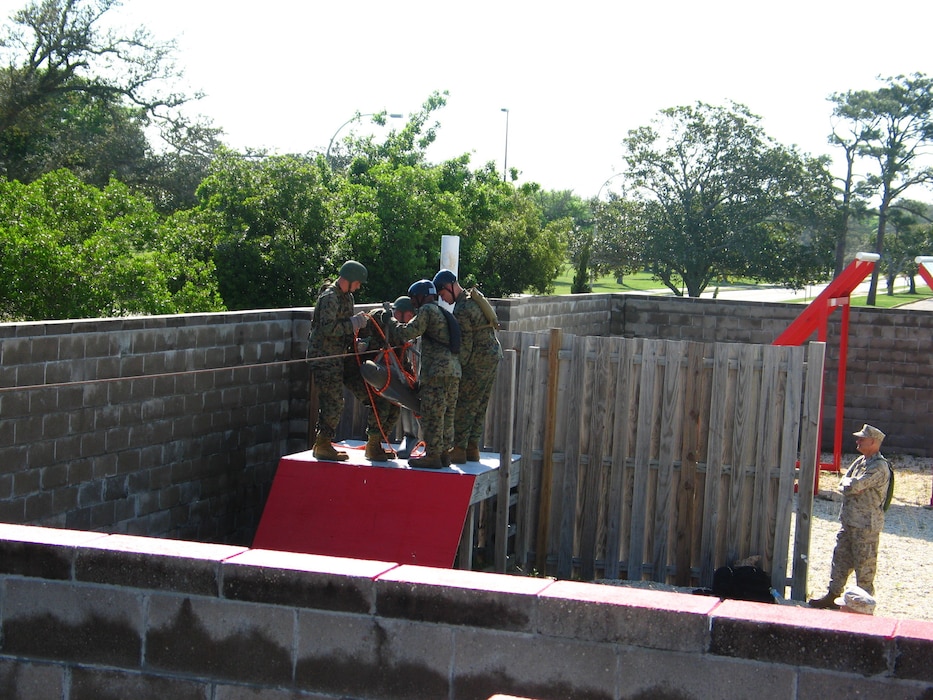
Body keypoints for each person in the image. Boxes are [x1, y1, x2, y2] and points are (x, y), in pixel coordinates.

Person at [306, 260, 397, 462]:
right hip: (325, 357)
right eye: (357, 282)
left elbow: (343, 329)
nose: (358, 286)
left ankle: (374, 445)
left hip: (343, 356)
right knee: (334, 400)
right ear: (349, 279)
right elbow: (327, 329)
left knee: (374, 394)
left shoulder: (347, 297)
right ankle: (322, 444)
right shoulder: (329, 298)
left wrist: (357, 340)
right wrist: (352, 323)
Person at [809, 424, 892, 609]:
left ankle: (863, 604)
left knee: (865, 566)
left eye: (862, 439)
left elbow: (855, 486)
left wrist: (849, 485)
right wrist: (849, 484)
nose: (858, 441)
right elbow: (843, 483)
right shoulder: (860, 462)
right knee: (840, 559)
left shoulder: (879, 467)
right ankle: (832, 595)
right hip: (849, 522)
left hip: (866, 526)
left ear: (873, 442)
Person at [386, 280, 460, 469]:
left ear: (421, 296)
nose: (413, 303)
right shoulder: (442, 312)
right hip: (453, 371)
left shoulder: (427, 311)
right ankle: (443, 453)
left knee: (432, 413)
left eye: (413, 299)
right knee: (447, 414)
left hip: (437, 372)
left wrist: (390, 319)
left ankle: (432, 456)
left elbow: (407, 333)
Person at [432, 269, 502, 463]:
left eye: (442, 294)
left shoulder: (462, 309)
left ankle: (460, 449)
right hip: (492, 356)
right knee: (480, 404)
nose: (443, 299)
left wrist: (456, 369)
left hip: (478, 360)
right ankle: (472, 448)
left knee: (465, 404)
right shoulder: (472, 299)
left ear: (449, 287)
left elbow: (466, 346)